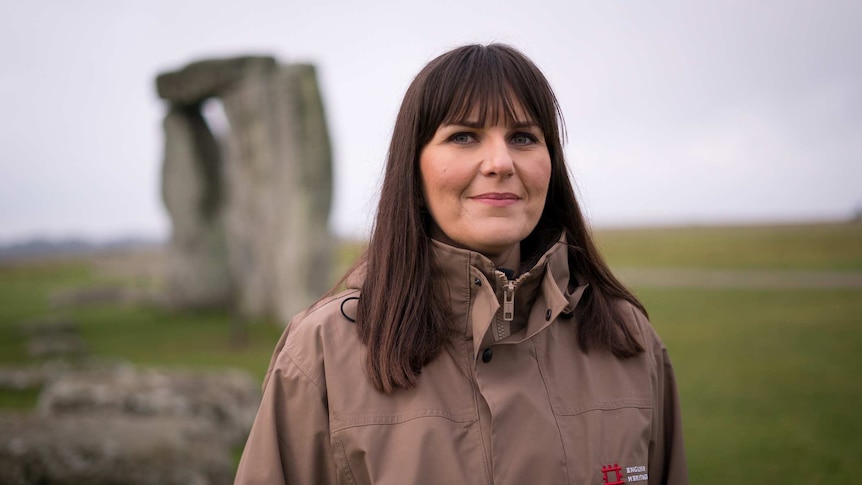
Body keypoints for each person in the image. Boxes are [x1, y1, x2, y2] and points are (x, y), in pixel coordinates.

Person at [235, 43, 687, 484]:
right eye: (464, 137)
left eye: (524, 137)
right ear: (413, 166)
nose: (500, 162)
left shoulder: (629, 340)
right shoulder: (323, 352)